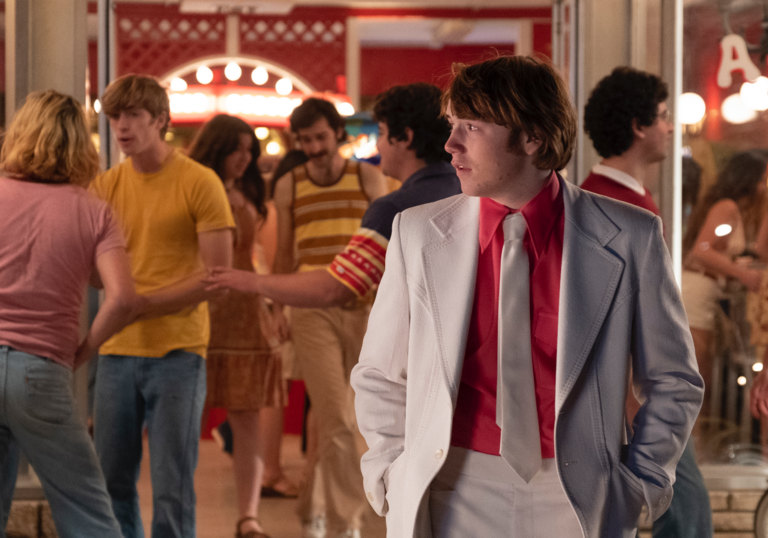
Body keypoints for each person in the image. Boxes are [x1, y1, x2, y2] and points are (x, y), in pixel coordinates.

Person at [350, 55, 704, 538]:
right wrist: (390, 472)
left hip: (578, 492)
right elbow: (379, 373)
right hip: (450, 484)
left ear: (532, 137)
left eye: (471, 127)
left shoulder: (630, 234)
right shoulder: (416, 232)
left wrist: (642, 483)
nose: (451, 144)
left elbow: (673, 379)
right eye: (452, 125)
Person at [205, 84, 460, 537]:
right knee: (341, 421)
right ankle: (326, 516)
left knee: (346, 422)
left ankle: (349, 526)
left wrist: (250, 282)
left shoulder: (393, 205)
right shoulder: (475, 192)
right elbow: (292, 253)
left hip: (359, 309)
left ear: (402, 136)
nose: (377, 145)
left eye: (381, 133)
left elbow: (338, 286)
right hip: (439, 346)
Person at [90, 74, 235, 538]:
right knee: (112, 481)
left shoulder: (199, 181)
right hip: (116, 349)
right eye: (115, 117)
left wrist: (138, 304)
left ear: (160, 121)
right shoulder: (106, 187)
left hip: (179, 351)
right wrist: (123, 304)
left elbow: (218, 278)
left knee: (172, 486)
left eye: (133, 115)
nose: (122, 126)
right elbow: (90, 268)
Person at [582, 66, 713, 538]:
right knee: (687, 514)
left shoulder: (625, 199)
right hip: (635, 398)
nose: (669, 127)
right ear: (638, 127)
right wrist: (636, 403)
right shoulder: (607, 206)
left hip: (643, 394)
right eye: (662, 116)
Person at [0, 90, 138, 537]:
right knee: (87, 512)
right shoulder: (93, 212)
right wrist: (84, 350)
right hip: (40, 372)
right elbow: (122, 297)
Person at [188, 114, 284, 538]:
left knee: (248, 419)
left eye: (250, 150)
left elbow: (259, 256)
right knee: (186, 419)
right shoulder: (194, 186)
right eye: (236, 149)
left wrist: (272, 303)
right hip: (202, 311)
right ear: (217, 148)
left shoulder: (246, 190)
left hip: (246, 311)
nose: (244, 158)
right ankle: (181, 512)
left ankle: (249, 516)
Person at [682, 151, 766, 432]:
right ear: (749, 180)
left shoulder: (730, 209)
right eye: (763, 180)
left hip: (706, 294)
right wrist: (742, 272)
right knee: (698, 375)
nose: (765, 187)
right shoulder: (727, 207)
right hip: (696, 295)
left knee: (701, 375)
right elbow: (702, 250)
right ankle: (692, 451)